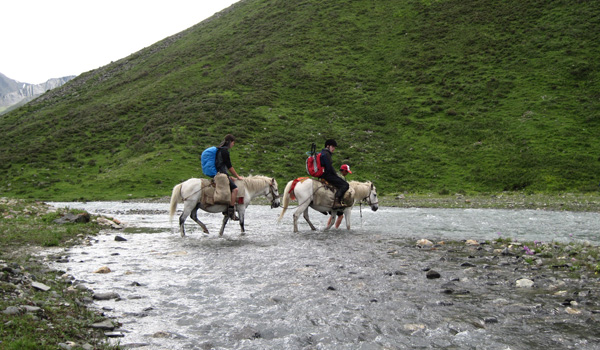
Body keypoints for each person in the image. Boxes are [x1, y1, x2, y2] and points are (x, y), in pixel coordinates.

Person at [215, 134, 243, 220]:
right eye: (233, 143)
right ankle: (230, 211)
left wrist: (229, 176)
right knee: (235, 189)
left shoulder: (219, 150)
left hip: (218, 173)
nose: (233, 145)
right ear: (230, 142)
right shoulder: (225, 151)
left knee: (232, 181)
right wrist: (238, 176)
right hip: (222, 174)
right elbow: (229, 167)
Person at [320, 139, 349, 209]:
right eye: (332, 146)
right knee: (345, 185)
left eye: (334, 147)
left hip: (323, 174)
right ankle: (336, 201)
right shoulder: (326, 154)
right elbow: (329, 167)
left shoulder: (322, 153)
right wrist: (336, 175)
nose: (334, 148)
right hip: (327, 175)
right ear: (328, 146)